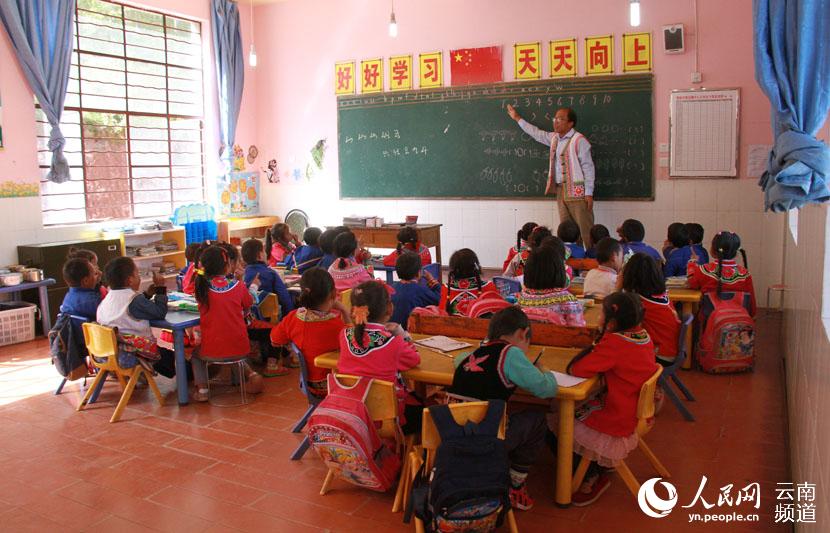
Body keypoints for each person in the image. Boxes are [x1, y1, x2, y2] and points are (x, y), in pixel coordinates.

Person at [448, 306, 557, 511]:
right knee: (537, 419)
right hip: (487, 440)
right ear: (522, 333)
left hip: (452, 436)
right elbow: (546, 389)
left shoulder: (472, 356)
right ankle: (516, 485)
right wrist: (544, 368)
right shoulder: (511, 353)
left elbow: (458, 359)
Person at [564, 291, 659, 506]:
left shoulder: (615, 343)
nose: (598, 318)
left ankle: (591, 474)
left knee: (560, 419)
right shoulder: (642, 335)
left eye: (601, 315)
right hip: (639, 412)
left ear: (612, 323)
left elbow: (578, 369)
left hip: (618, 417)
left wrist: (599, 341)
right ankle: (599, 463)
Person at [337, 280, 422, 433]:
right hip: (386, 421)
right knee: (424, 409)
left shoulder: (344, 335)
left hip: (352, 415)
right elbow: (415, 359)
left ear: (354, 310)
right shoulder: (394, 342)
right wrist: (401, 333)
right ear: (389, 308)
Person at [507, 104, 595, 248]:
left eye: (560, 119)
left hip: (578, 192)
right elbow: (536, 133)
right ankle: (572, 266)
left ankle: (592, 264)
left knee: (586, 230)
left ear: (570, 123)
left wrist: (589, 193)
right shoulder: (554, 138)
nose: (555, 121)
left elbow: (588, 168)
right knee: (567, 232)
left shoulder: (579, 140)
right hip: (561, 191)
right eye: (555, 118)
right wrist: (517, 118)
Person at [191, 245, 263, 402]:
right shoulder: (237, 286)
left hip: (212, 349)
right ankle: (251, 374)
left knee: (196, 355)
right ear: (227, 266)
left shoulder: (201, 288)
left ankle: (203, 390)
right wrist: (253, 284)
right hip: (241, 347)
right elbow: (248, 302)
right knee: (232, 351)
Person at [270, 268, 351, 398]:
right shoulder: (335, 325)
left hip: (306, 384)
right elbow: (353, 345)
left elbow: (275, 340)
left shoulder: (293, 318)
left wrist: (292, 344)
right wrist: (344, 311)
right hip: (332, 385)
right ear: (333, 294)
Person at [96, 257, 177, 378]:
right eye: (137, 274)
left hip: (110, 351)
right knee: (171, 357)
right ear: (129, 280)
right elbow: (159, 312)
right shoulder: (133, 299)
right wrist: (160, 289)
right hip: (134, 352)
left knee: (166, 357)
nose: (139, 277)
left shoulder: (108, 297)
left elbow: (131, 309)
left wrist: (146, 295)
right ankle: (192, 376)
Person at [620, 253, 681, 365]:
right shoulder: (662, 295)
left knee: (617, 348)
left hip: (659, 355)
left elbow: (616, 317)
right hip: (671, 350)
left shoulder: (639, 302)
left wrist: (618, 286)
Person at [687, 231, 756, 316]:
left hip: (710, 323)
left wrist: (692, 263)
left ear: (713, 250)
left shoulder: (704, 270)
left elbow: (692, 283)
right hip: (739, 322)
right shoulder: (745, 274)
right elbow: (751, 303)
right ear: (736, 252)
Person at [517, 244, 585, 326]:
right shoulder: (567, 300)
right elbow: (578, 330)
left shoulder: (522, 297)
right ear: (559, 271)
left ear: (528, 272)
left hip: (529, 338)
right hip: (559, 338)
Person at [241, 238, 294, 316]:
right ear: (259, 256)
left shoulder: (242, 275)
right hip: (272, 319)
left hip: (250, 317)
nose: (266, 254)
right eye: (264, 251)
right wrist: (290, 316)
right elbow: (284, 298)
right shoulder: (271, 273)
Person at [441, 248, 501, 316]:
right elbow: (499, 314)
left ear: (452, 270)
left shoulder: (445, 289)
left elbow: (441, 313)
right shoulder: (489, 287)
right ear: (476, 268)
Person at [390, 251, 440, 328]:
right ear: (418, 273)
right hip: (411, 332)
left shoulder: (390, 289)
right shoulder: (421, 291)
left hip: (391, 331)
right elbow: (440, 300)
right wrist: (433, 281)